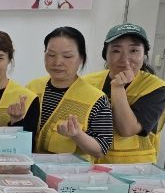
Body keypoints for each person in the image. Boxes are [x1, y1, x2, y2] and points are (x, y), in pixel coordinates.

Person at [83, 23, 165, 163]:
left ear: (144, 55)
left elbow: (127, 129)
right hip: (89, 164)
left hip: (133, 169)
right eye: (116, 51)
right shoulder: (87, 82)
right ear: (105, 55)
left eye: (134, 50)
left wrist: (117, 88)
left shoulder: (156, 88)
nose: (125, 59)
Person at [26, 27, 113, 161]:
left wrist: (77, 135)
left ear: (81, 58)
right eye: (51, 55)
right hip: (30, 168)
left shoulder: (96, 98)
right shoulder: (31, 88)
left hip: (70, 171)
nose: (57, 62)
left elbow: (101, 149)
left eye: (67, 56)